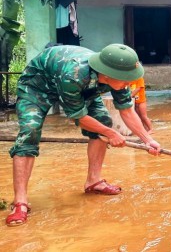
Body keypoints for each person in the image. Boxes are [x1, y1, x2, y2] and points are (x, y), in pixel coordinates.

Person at [5, 44, 161, 227]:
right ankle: (20, 202)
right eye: (126, 80)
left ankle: (93, 181)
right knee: (29, 131)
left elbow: (126, 110)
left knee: (103, 120)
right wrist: (110, 133)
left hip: (84, 89)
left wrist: (148, 140)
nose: (128, 84)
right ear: (108, 74)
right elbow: (78, 116)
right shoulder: (74, 73)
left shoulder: (118, 77)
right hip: (37, 88)